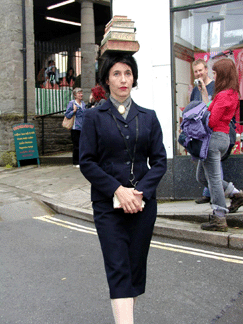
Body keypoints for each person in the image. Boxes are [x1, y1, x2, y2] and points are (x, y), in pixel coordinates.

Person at [79, 52, 167, 323]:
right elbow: (87, 162)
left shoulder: (149, 117)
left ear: (134, 78)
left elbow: (160, 161)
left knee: (134, 269)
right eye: (116, 73)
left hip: (142, 205)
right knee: (118, 267)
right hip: (108, 206)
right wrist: (118, 190)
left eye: (127, 73)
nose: (123, 79)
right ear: (107, 79)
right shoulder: (93, 117)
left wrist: (140, 192)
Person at [197, 58, 243, 231]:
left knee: (214, 179)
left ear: (222, 74)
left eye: (215, 73)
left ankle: (219, 217)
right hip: (221, 138)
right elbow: (211, 109)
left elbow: (212, 121)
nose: (213, 76)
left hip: (214, 139)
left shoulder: (224, 95)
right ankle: (235, 193)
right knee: (202, 177)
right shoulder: (231, 94)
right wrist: (204, 98)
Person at [190, 59, 217, 204]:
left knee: (212, 165)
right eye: (196, 71)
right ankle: (209, 192)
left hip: (212, 130)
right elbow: (192, 107)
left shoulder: (215, 86)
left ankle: (213, 193)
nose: (199, 73)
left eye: (201, 70)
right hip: (198, 132)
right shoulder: (195, 89)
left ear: (206, 69)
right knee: (201, 165)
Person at [64, 87, 86, 168]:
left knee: (82, 145)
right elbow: (67, 114)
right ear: (75, 95)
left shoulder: (83, 103)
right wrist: (74, 111)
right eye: (79, 93)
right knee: (76, 146)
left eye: (81, 93)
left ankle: (81, 161)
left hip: (82, 127)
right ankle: (75, 162)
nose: (81, 94)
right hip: (75, 128)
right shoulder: (72, 103)